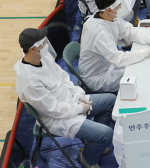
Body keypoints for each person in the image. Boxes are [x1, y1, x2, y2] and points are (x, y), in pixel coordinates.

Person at [15, 27, 116, 168]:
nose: (46, 45)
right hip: (58, 119)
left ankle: (95, 144)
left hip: (71, 101)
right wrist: (79, 108)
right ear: (33, 49)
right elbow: (53, 109)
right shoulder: (29, 82)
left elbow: (63, 78)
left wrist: (79, 95)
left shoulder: (42, 58)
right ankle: (88, 159)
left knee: (110, 101)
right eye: (43, 43)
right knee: (107, 133)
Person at [79, 0, 150, 93]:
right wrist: (147, 52)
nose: (120, 7)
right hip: (97, 77)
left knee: (140, 65)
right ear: (109, 10)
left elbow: (128, 30)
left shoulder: (108, 16)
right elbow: (119, 59)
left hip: (109, 65)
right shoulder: (99, 32)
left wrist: (147, 39)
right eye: (118, 5)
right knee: (138, 74)